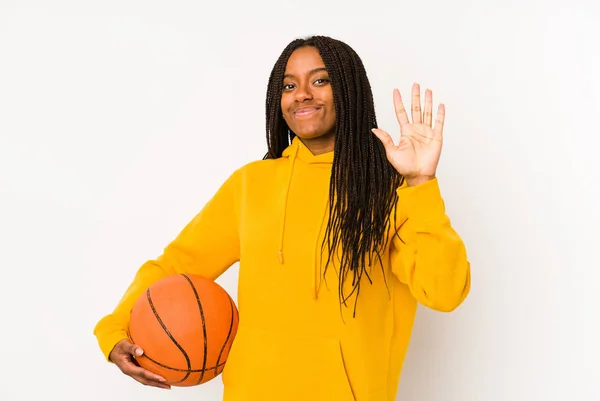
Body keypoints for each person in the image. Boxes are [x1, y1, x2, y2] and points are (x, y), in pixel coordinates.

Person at [93, 35, 471, 401]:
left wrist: (421, 181)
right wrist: (115, 330)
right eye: (289, 85)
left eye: (320, 80)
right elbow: (176, 265)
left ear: (350, 91)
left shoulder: (387, 190)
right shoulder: (251, 185)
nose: (302, 94)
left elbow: (444, 292)